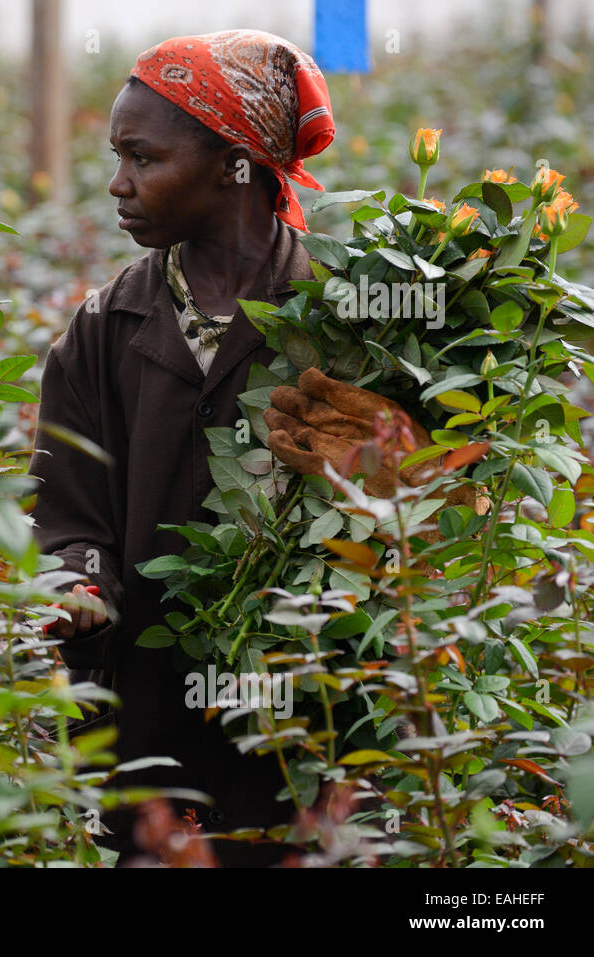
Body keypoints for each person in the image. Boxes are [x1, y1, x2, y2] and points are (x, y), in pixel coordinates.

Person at [28, 30, 434, 866]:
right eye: (116, 155)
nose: (118, 182)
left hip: (316, 734)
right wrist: (76, 577)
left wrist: (395, 471)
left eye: (143, 157)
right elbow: (68, 511)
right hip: (150, 741)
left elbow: (435, 522)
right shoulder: (105, 328)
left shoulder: (349, 321)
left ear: (233, 164)